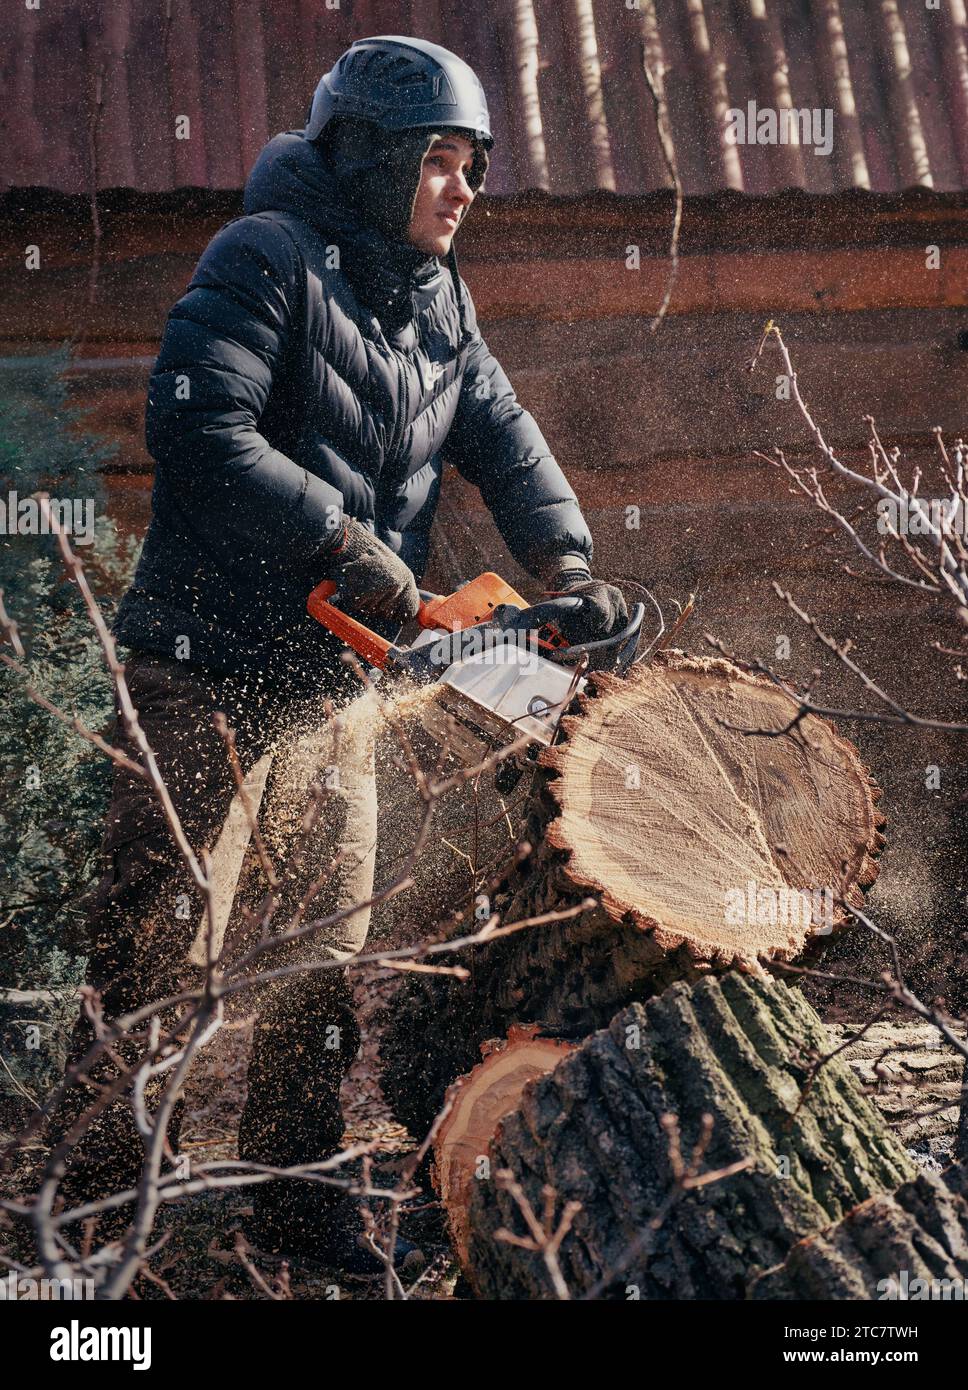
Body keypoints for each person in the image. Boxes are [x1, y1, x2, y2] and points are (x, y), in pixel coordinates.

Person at [51, 34, 627, 1271]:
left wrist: (569, 573)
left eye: (474, 163)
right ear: (368, 157)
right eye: (443, 160)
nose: (465, 188)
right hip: (203, 661)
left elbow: (506, 439)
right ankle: (98, 1202)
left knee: (323, 947)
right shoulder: (265, 259)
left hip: (335, 679)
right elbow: (196, 419)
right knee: (160, 935)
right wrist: (340, 533)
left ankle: (294, 1195)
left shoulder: (439, 303)